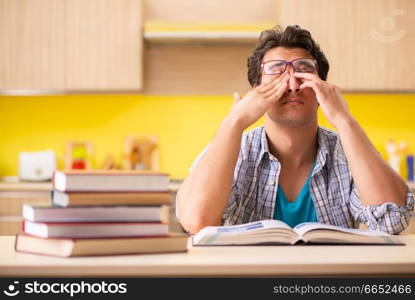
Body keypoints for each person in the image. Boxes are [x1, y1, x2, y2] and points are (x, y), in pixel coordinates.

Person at [176, 25, 414, 235]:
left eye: (303, 71)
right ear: (256, 89)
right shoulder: (234, 148)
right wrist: (235, 121)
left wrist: (344, 119)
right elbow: (198, 222)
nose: (292, 85)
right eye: (277, 72)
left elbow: (392, 222)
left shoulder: (347, 151)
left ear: (323, 88)